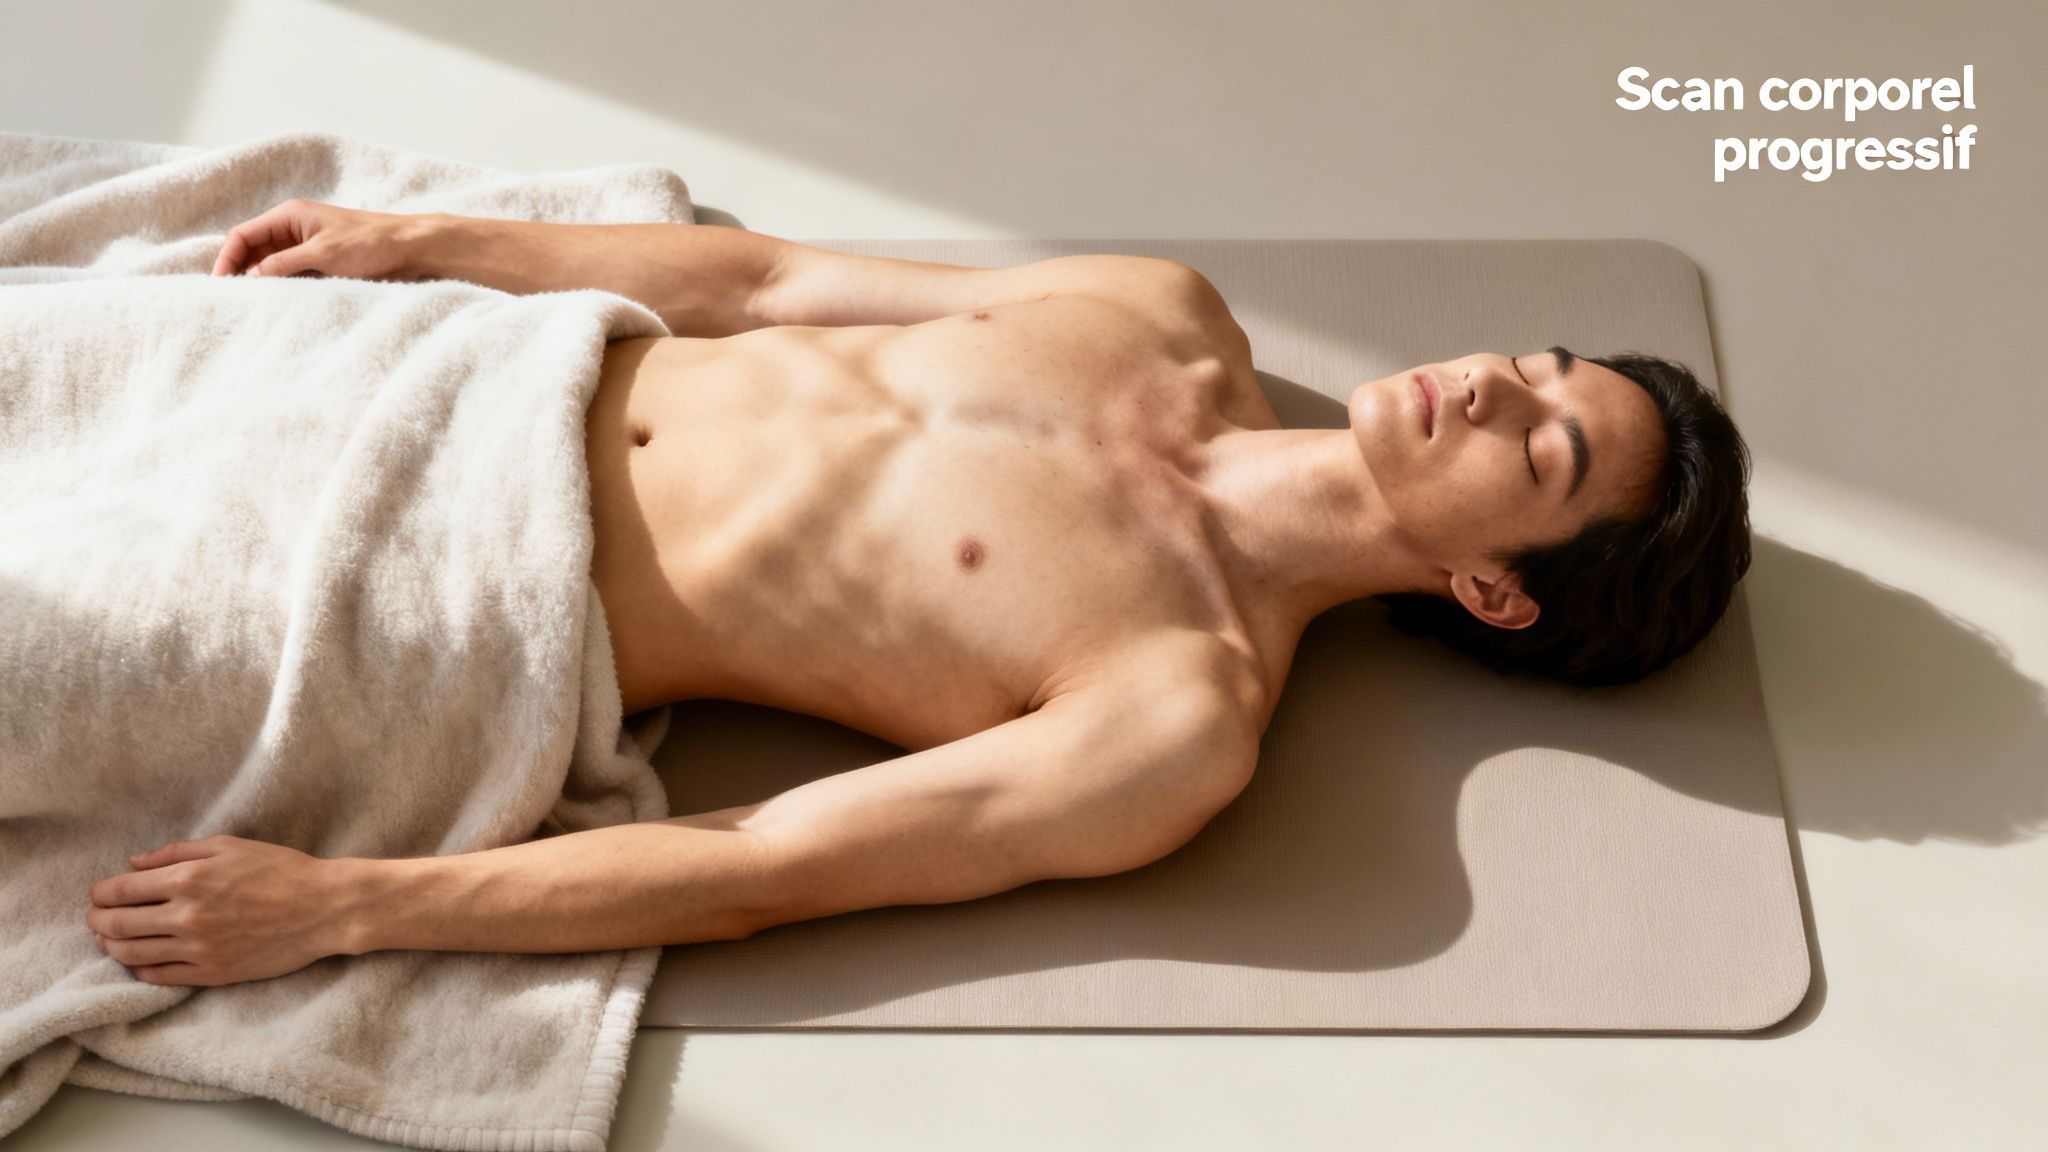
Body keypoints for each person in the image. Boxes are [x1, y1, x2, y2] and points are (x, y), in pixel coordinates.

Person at [84, 202, 1750, 987]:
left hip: (419, 599)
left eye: (1536, 453)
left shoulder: (1180, 709)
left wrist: (342, 907)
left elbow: (767, 867)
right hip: (447, 373)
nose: (1489, 387)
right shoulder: (1165, 309)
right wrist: (426, 239)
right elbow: (765, 282)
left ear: (1493, 591)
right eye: (1537, 364)